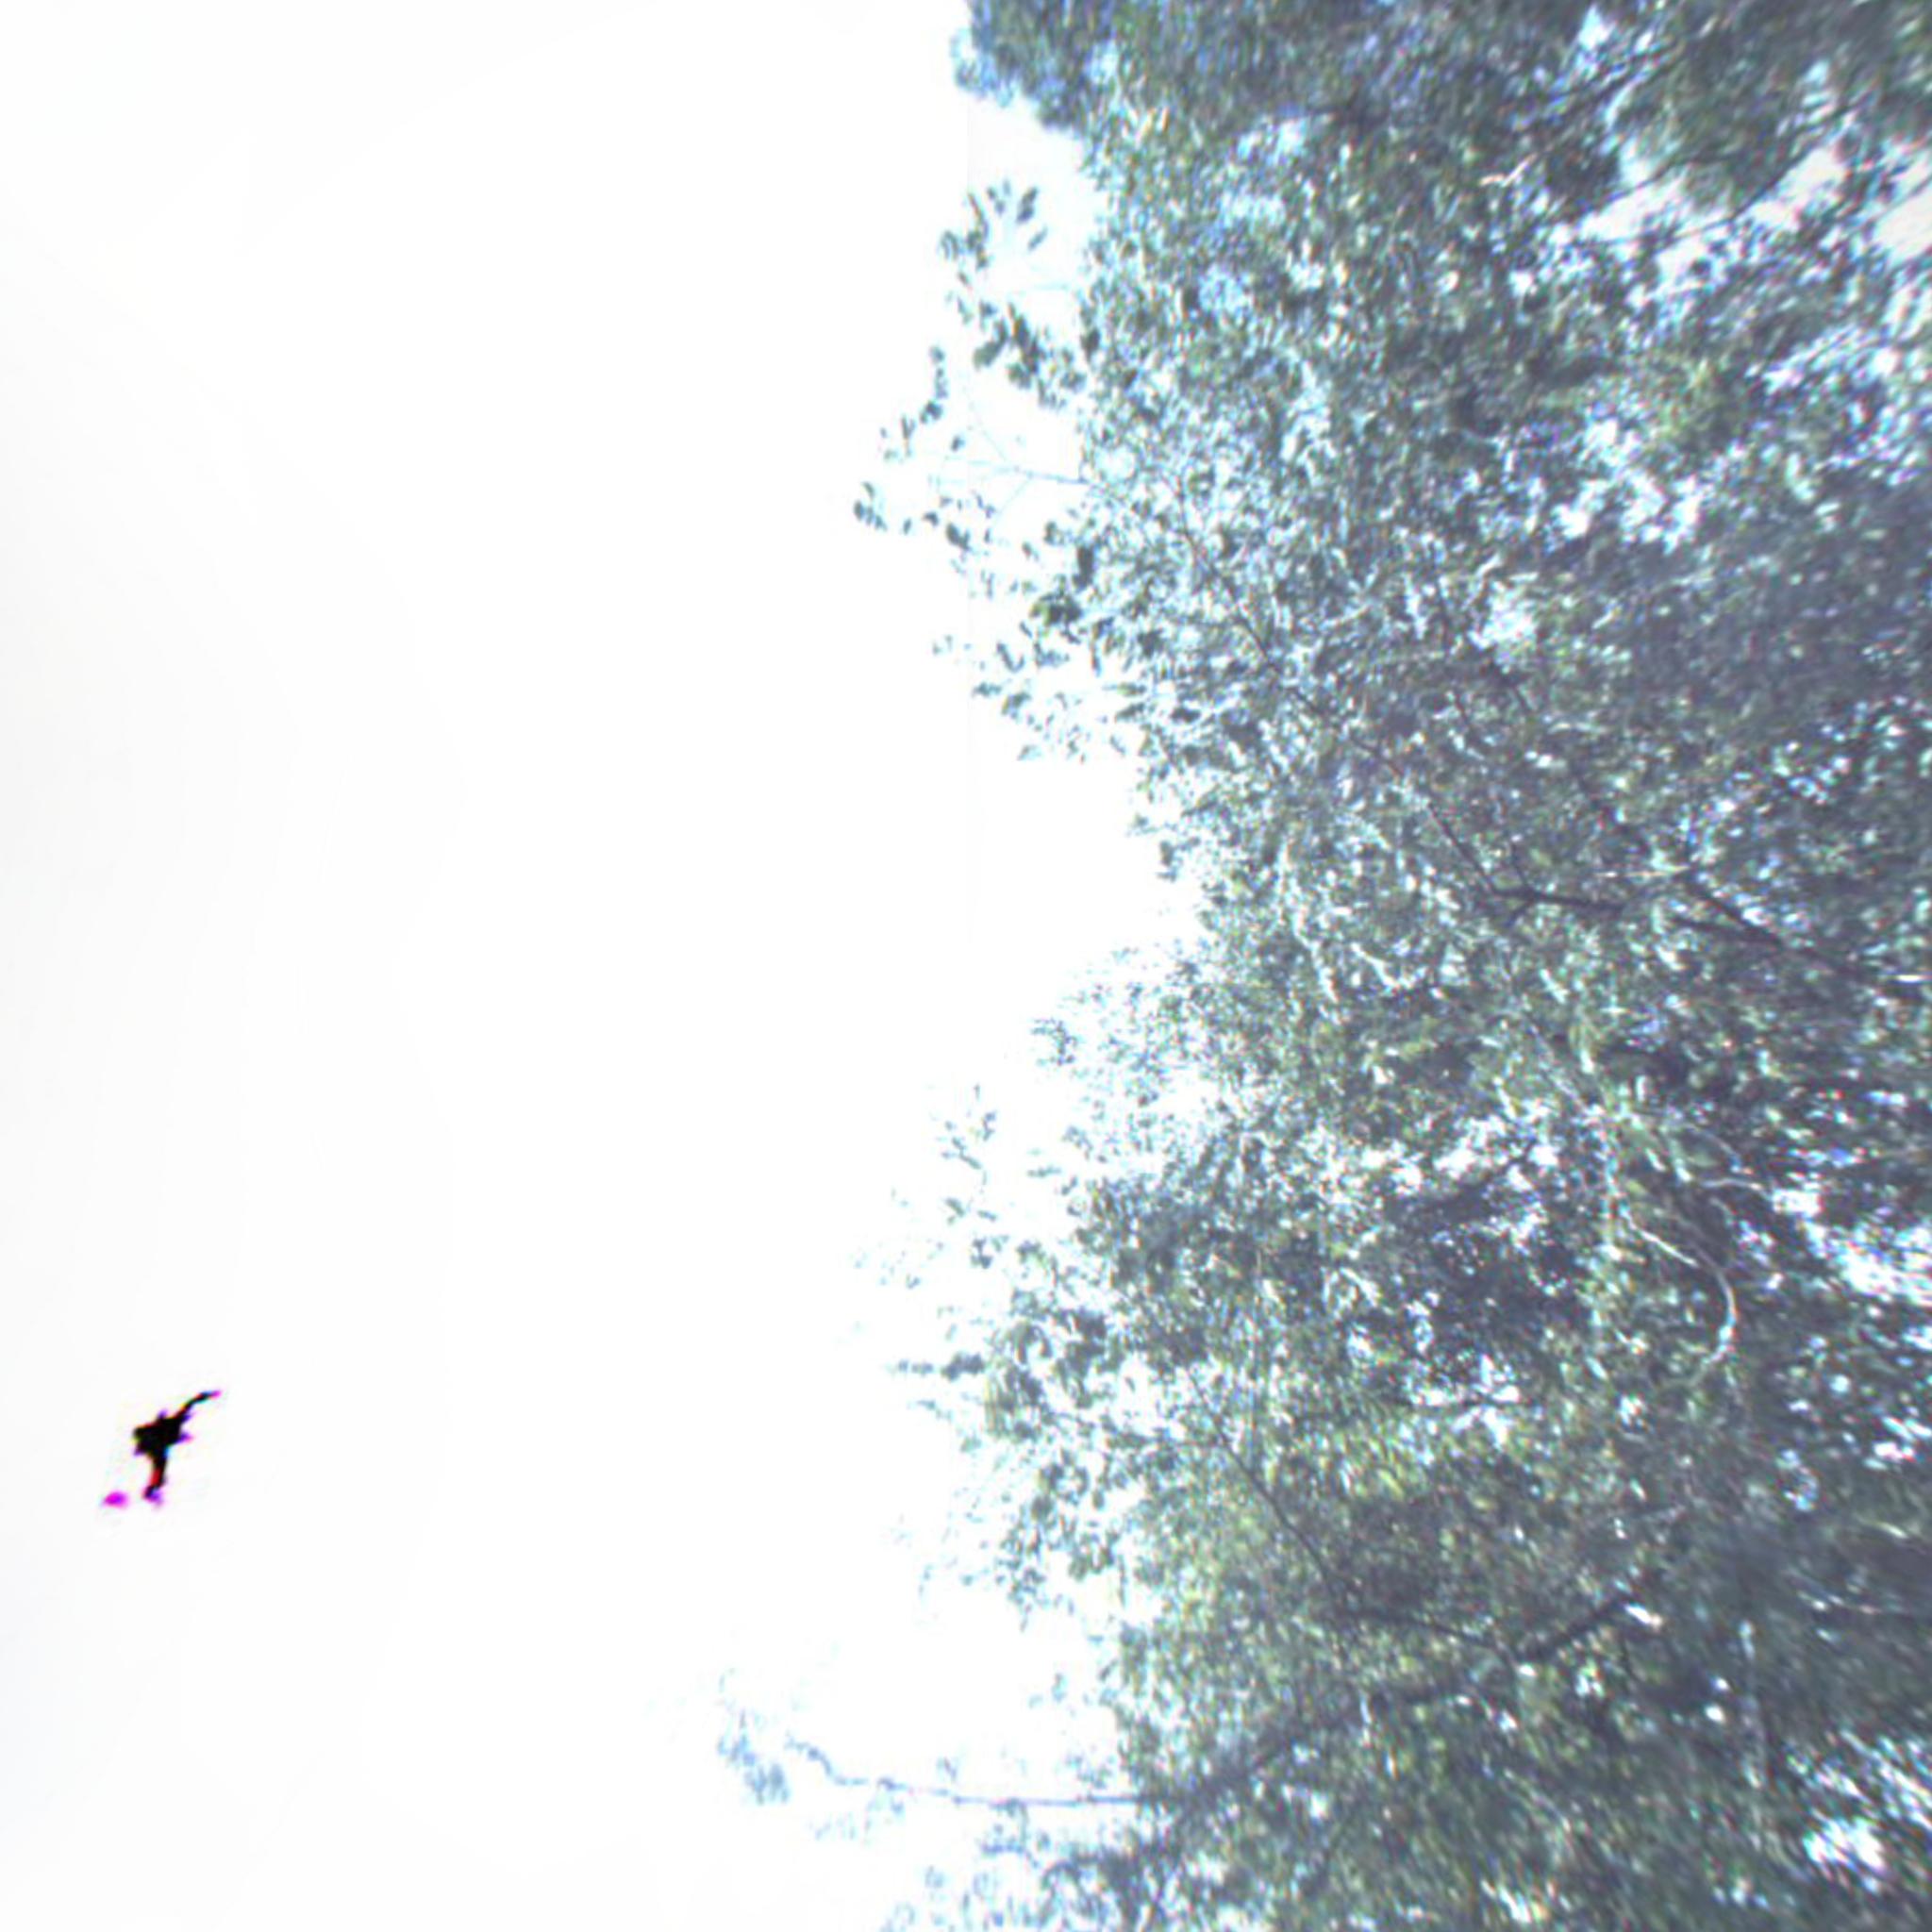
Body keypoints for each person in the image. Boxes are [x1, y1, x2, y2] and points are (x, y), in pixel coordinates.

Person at [130, 1391, 221, 1503]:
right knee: (160, 1464)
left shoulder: (176, 1425)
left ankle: (152, 1489)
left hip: (151, 1439)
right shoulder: (177, 1422)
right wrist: (208, 1395)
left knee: (160, 1465)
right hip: (153, 1439)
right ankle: (152, 1489)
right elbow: (190, 1404)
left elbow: (189, 1404)